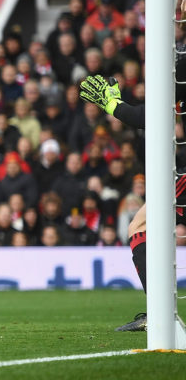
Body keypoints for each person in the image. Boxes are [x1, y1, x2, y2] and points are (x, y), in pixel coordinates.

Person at [79, 65, 186, 332]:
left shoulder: (181, 65)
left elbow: (152, 116)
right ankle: (157, 313)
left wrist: (114, 105)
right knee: (140, 226)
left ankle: (157, 315)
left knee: (140, 227)